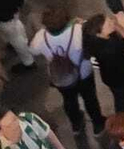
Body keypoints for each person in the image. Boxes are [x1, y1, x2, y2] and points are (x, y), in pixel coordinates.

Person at [29, 7, 105, 137]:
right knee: (90, 98)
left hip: (62, 77)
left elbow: (33, 50)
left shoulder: (41, 37)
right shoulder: (78, 30)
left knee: (69, 100)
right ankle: (98, 125)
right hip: (84, 73)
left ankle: (76, 125)